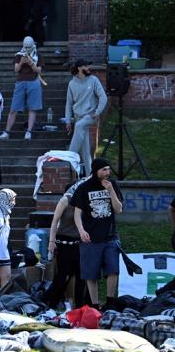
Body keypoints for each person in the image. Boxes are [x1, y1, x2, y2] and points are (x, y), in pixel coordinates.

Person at [71, 158, 124, 308]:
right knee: (91, 274)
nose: (107, 173)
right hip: (91, 238)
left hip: (110, 236)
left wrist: (111, 191)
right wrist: (81, 231)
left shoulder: (112, 185)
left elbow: (119, 210)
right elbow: (77, 213)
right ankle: (94, 305)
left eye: (108, 169)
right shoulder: (84, 188)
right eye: (104, 170)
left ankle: (110, 302)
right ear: (96, 171)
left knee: (113, 270)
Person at [45, 177, 90, 309]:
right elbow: (54, 222)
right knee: (64, 275)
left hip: (80, 243)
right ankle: (51, 303)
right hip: (64, 242)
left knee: (81, 276)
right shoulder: (66, 200)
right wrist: (51, 242)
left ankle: (80, 306)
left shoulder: (84, 202)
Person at [65, 59, 107, 176]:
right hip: (78, 116)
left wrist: (97, 112)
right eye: (86, 66)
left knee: (79, 126)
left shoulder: (94, 80)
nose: (88, 68)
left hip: (90, 115)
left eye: (89, 65)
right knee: (85, 151)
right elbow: (68, 103)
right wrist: (68, 120)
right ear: (79, 68)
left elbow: (103, 97)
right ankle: (90, 176)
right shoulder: (72, 84)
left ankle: (69, 157)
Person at [0, 36, 44, 141]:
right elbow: (16, 69)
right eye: (26, 47)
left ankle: (28, 132)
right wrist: (21, 62)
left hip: (33, 82)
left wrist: (31, 63)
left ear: (33, 45)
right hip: (21, 82)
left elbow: (39, 71)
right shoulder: (19, 55)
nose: (27, 49)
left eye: (29, 47)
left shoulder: (38, 56)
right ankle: (7, 132)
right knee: (14, 108)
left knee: (32, 108)